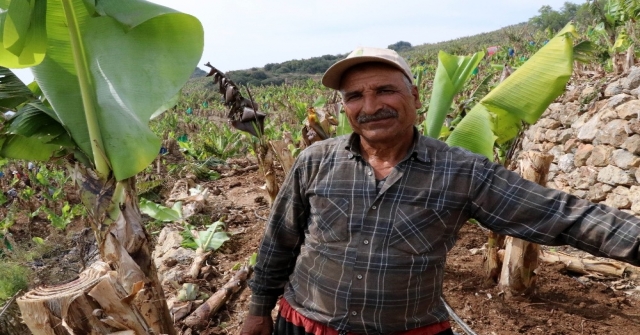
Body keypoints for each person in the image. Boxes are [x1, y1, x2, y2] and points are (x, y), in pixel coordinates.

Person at [241, 47, 640, 335]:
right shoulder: (315, 160)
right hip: (304, 324)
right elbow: (280, 241)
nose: (370, 105)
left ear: (414, 96)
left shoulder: (461, 171)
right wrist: (258, 310)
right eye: (355, 97)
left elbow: (562, 214)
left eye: (385, 90)